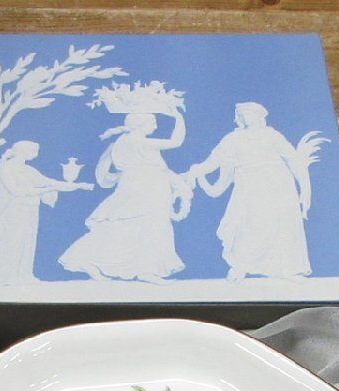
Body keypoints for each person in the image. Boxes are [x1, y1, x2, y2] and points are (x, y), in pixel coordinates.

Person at [188, 102, 319, 281]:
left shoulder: (272, 135)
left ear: (260, 115)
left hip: (278, 182)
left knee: (283, 224)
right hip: (250, 184)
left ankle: (287, 268)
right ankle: (240, 265)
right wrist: (195, 172)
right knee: (251, 223)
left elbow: (294, 161)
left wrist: (305, 188)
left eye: (249, 112)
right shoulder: (233, 139)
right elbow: (213, 161)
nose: (245, 116)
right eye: (242, 113)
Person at [59, 110, 190, 283]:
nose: (155, 126)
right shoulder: (140, 142)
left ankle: (140, 268)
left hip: (137, 185)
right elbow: (176, 142)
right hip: (146, 187)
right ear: (141, 124)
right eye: (152, 122)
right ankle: (145, 269)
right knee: (151, 225)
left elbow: (158, 167)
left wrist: (177, 182)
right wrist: (178, 117)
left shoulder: (122, 142)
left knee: (129, 226)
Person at [0, 141, 92, 285]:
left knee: (24, 242)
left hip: (28, 210)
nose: (36, 153)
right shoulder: (6, 168)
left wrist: (78, 185)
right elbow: (16, 191)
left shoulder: (28, 170)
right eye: (33, 150)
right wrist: (46, 190)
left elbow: (50, 182)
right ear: (22, 151)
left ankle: (16, 275)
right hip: (12, 210)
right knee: (10, 241)